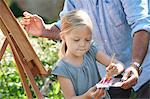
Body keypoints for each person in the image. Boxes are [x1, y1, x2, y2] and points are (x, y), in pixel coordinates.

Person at [20, 0, 150, 98]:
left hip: (144, 69)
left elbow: (141, 24)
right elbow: (67, 24)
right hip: (111, 80)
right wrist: (45, 31)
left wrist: (135, 64)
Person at [51, 9, 125, 99]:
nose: (83, 44)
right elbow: (70, 97)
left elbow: (120, 64)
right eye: (76, 40)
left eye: (87, 40)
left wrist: (116, 69)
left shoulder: (90, 51)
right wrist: (87, 96)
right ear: (63, 37)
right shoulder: (62, 68)